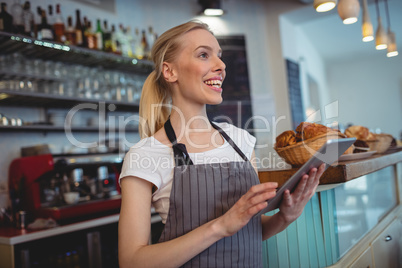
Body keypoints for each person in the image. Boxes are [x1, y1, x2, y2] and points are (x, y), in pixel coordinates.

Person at [118, 20, 325, 268]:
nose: (221, 65)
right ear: (170, 71)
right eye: (204, 55)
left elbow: (250, 233)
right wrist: (220, 226)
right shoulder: (145, 154)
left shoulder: (241, 140)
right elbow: (131, 261)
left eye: (219, 56)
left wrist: (285, 217)